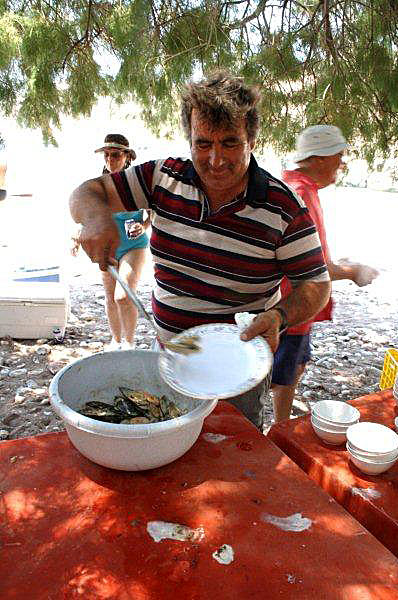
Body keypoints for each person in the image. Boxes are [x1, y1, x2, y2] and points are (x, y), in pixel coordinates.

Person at [70, 71, 331, 428]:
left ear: (251, 139)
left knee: (233, 459)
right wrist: (96, 219)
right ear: (189, 139)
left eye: (230, 143)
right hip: (169, 358)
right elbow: (87, 192)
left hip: (239, 372)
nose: (216, 159)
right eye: (203, 144)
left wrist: (280, 317)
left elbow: (316, 284)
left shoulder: (284, 208)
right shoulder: (162, 177)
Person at [271, 125, 379, 422]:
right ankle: (280, 432)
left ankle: (280, 426)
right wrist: (355, 271)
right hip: (292, 305)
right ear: (319, 158)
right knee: (283, 373)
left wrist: (340, 263)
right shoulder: (301, 193)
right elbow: (315, 269)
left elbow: (309, 254)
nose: (342, 164)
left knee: (294, 367)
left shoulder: (299, 185)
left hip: (298, 307)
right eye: (339, 156)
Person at [72, 134, 150, 350]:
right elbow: (86, 216)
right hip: (109, 245)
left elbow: (150, 214)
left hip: (134, 245)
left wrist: (142, 226)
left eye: (115, 155)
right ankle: (115, 342)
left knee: (123, 296)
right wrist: (78, 234)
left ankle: (130, 343)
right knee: (110, 296)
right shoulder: (99, 186)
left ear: (127, 157)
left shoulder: (138, 182)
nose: (110, 160)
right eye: (106, 155)